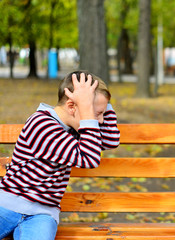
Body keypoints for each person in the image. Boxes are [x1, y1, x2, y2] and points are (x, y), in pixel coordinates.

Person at [0, 71, 120, 240]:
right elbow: (89, 158)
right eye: (97, 114)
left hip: (42, 214)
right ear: (72, 107)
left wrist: (101, 103)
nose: (100, 122)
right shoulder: (41, 124)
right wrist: (86, 108)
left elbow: (111, 140)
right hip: (6, 205)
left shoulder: (77, 127)